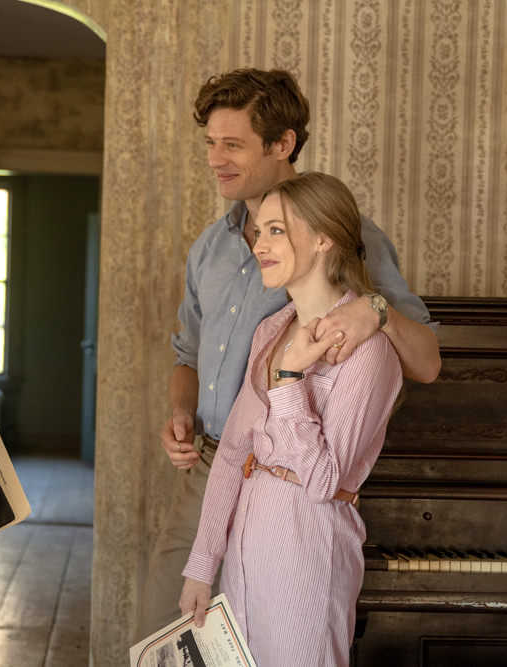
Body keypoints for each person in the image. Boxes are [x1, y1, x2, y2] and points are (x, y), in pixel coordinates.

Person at [134, 68, 440, 640]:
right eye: (209, 143)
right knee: (164, 635)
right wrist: (182, 411)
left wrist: (375, 309)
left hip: (295, 486)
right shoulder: (209, 248)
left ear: (283, 144)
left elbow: (424, 361)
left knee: (272, 638)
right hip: (212, 464)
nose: (214, 159)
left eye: (232, 144)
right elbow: (188, 354)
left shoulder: (349, 235)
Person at [178, 172, 403, 665]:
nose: (260, 243)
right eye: (259, 231)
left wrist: (288, 381)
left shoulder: (370, 353)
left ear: (324, 237)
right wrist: (202, 565)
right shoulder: (271, 329)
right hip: (244, 549)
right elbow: (234, 451)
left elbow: (324, 480)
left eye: (277, 230)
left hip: (309, 549)